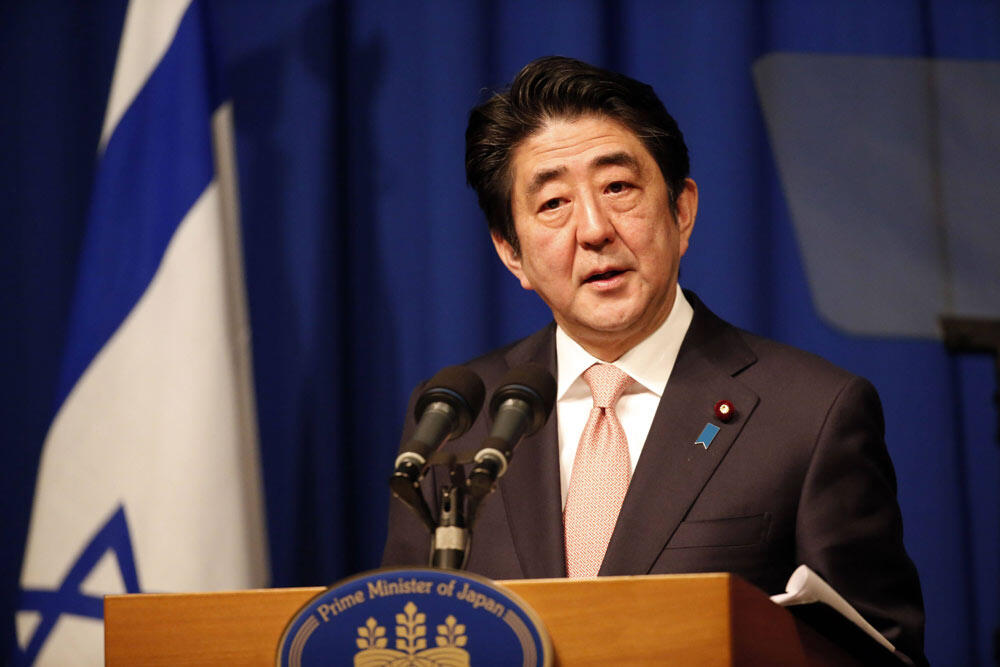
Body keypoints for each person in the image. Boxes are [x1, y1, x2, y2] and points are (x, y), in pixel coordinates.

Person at [382, 56, 926, 663]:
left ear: (681, 210)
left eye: (617, 187)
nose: (593, 229)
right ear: (511, 252)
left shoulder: (811, 413)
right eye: (553, 203)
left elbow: (884, 654)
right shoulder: (461, 412)